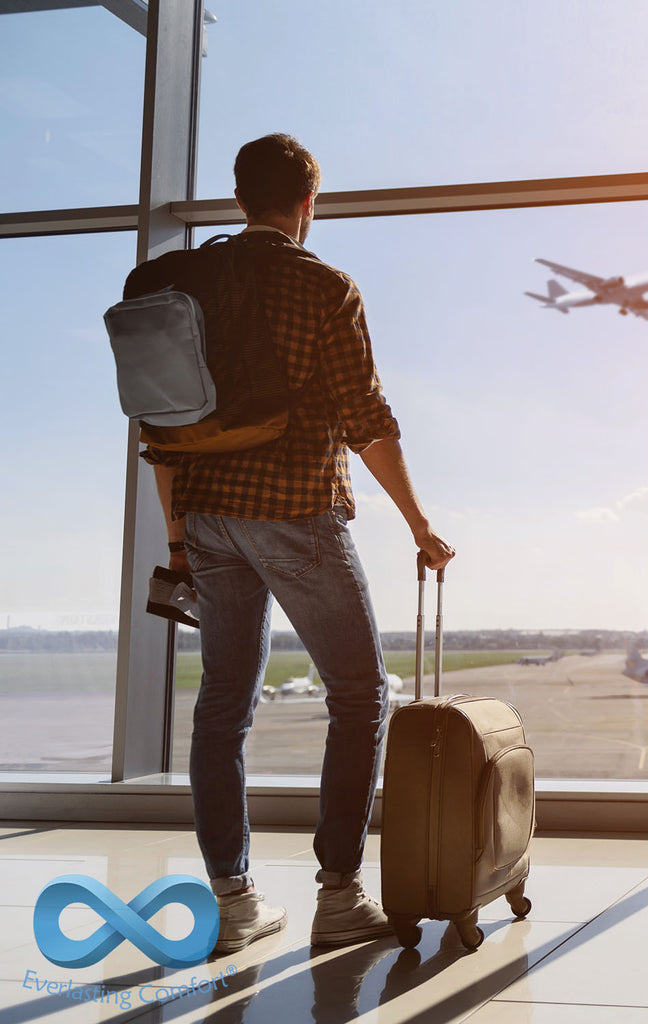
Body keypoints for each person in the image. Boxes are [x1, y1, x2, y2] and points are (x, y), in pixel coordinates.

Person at [142, 133, 454, 953]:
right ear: (307, 204)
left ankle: (234, 900)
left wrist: (179, 538)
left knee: (223, 707)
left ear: (241, 197)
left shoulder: (188, 285)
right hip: (293, 512)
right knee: (359, 695)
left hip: (207, 518)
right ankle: (339, 892)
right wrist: (419, 523)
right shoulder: (324, 287)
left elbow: (161, 431)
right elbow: (366, 421)